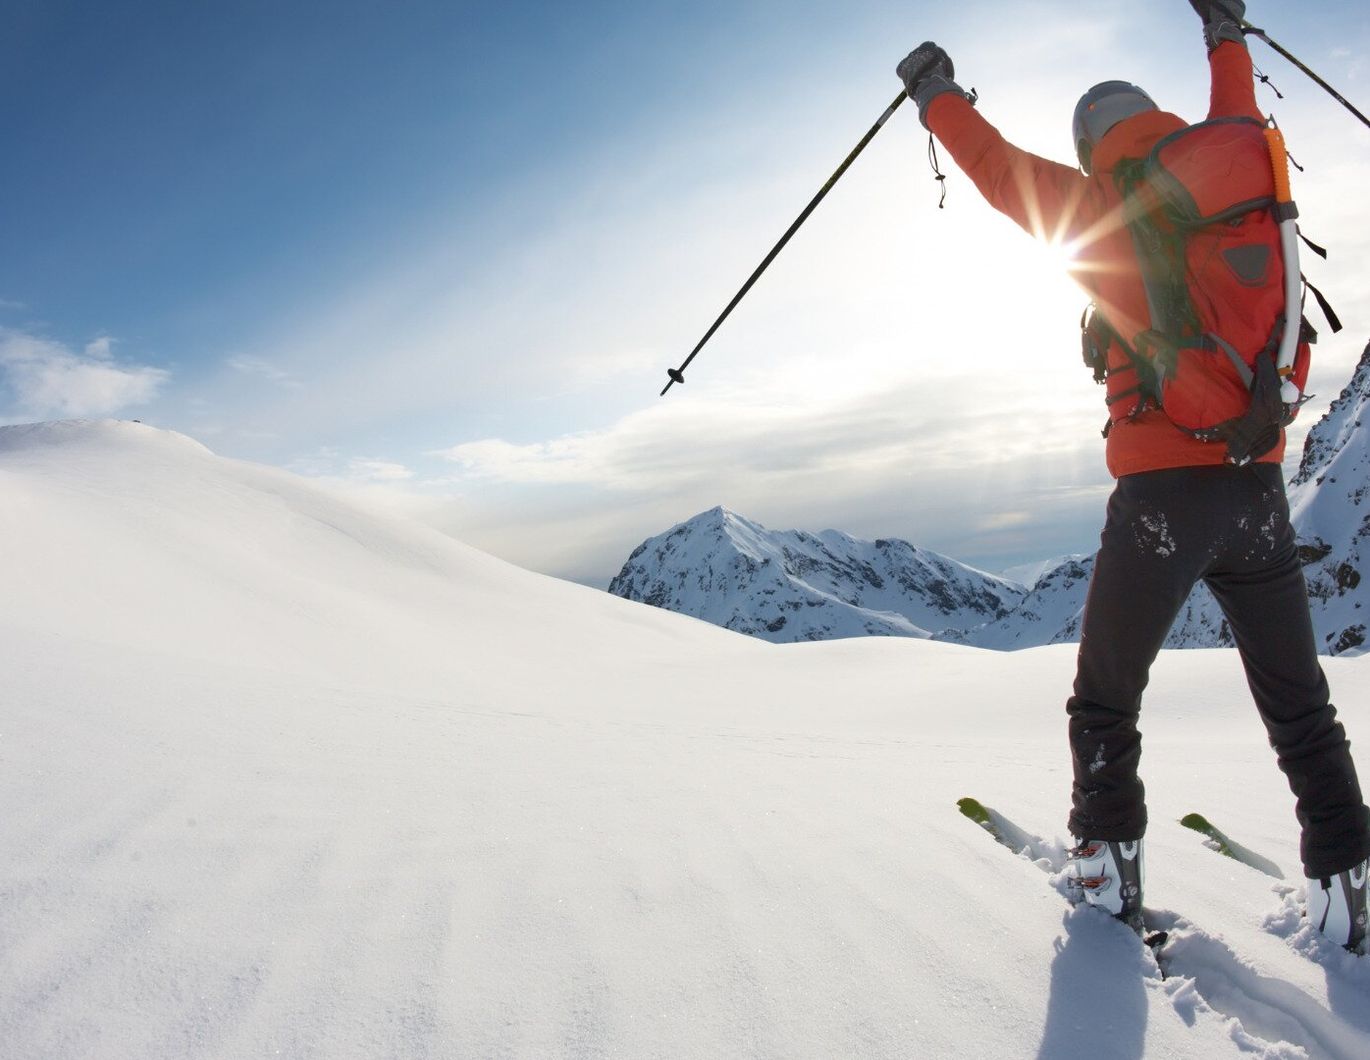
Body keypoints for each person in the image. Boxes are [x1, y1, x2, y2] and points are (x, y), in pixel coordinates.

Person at [897, 0, 1370, 952]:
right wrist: (1224, 26)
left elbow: (995, 169)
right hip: (1259, 483)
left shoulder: (1094, 207)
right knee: (1299, 702)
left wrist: (935, 94)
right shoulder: (1231, 162)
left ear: (1089, 144)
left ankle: (1107, 872)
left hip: (1162, 494)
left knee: (1107, 696)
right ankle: (1352, 883)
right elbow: (1234, 90)